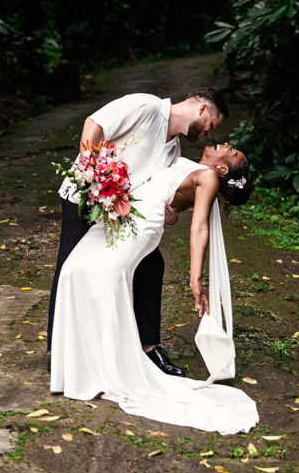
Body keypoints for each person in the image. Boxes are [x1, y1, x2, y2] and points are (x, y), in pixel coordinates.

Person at [49, 143, 258, 433]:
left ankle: (105, 366)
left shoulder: (208, 177)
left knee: (105, 280)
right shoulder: (185, 162)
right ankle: (78, 359)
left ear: (222, 169)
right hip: (123, 217)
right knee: (74, 270)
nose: (228, 145)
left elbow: (199, 227)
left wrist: (195, 277)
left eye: (233, 152)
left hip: (141, 226)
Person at [47, 88, 228, 376]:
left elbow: (153, 187)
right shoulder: (145, 106)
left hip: (118, 210)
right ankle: (59, 349)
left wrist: (168, 212)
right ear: (203, 109)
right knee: (70, 264)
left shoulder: (174, 151)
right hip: (83, 196)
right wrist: (91, 173)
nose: (209, 134)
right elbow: (93, 125)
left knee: (151, 265)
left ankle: (148, 347)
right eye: (212, 126)